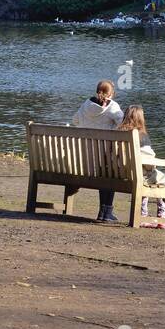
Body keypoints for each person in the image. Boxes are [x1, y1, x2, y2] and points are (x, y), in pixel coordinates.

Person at [71, 79, 124, 223]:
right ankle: (105, 212)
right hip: (104, 158)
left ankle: (104, 212)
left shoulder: (86, 105)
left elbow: (75, 120)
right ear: (111, 94)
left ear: (97, 91)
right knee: (110, 172)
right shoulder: (112, 107)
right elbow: (123, 124)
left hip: (86, 159)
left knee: (105, 171)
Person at [119, 105, 165, 224]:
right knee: (162, 178)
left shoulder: (118, 133)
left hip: (121, 174)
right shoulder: (141, 137)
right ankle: (160, 216)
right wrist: (153, 167)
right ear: (141, 119)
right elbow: (149, 161)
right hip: (138, 176)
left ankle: (144, 213)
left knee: (146, 177)